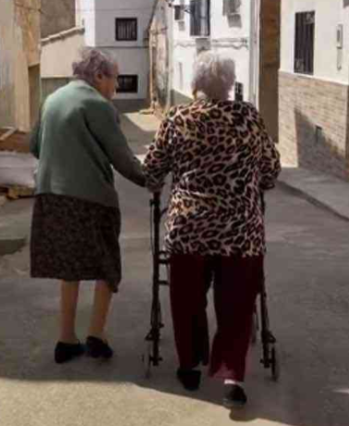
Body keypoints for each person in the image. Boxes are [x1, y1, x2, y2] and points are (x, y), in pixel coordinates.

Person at [142, 51, 281, 407]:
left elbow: (154, 169)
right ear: (230, 85)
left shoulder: (178, 118)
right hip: (240, 231)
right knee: (236, 304)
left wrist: (159, 182)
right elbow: (270, 170)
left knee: (187, 300)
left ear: (195, 84)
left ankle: (189, 364)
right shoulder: (248, 117)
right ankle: (232, 373)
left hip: (189, 229)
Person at [29, 47, 146, 364]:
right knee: (106, 264)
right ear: (98, 76)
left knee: (71, 266)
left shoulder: (52, 99)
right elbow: (122, 158)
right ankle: (96, 334)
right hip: (91, 200)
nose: (116, 86)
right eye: (115, 78)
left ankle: (65, 340)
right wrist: (151, 179)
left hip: (51, 196)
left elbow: (34, 145)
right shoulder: (99, 105)